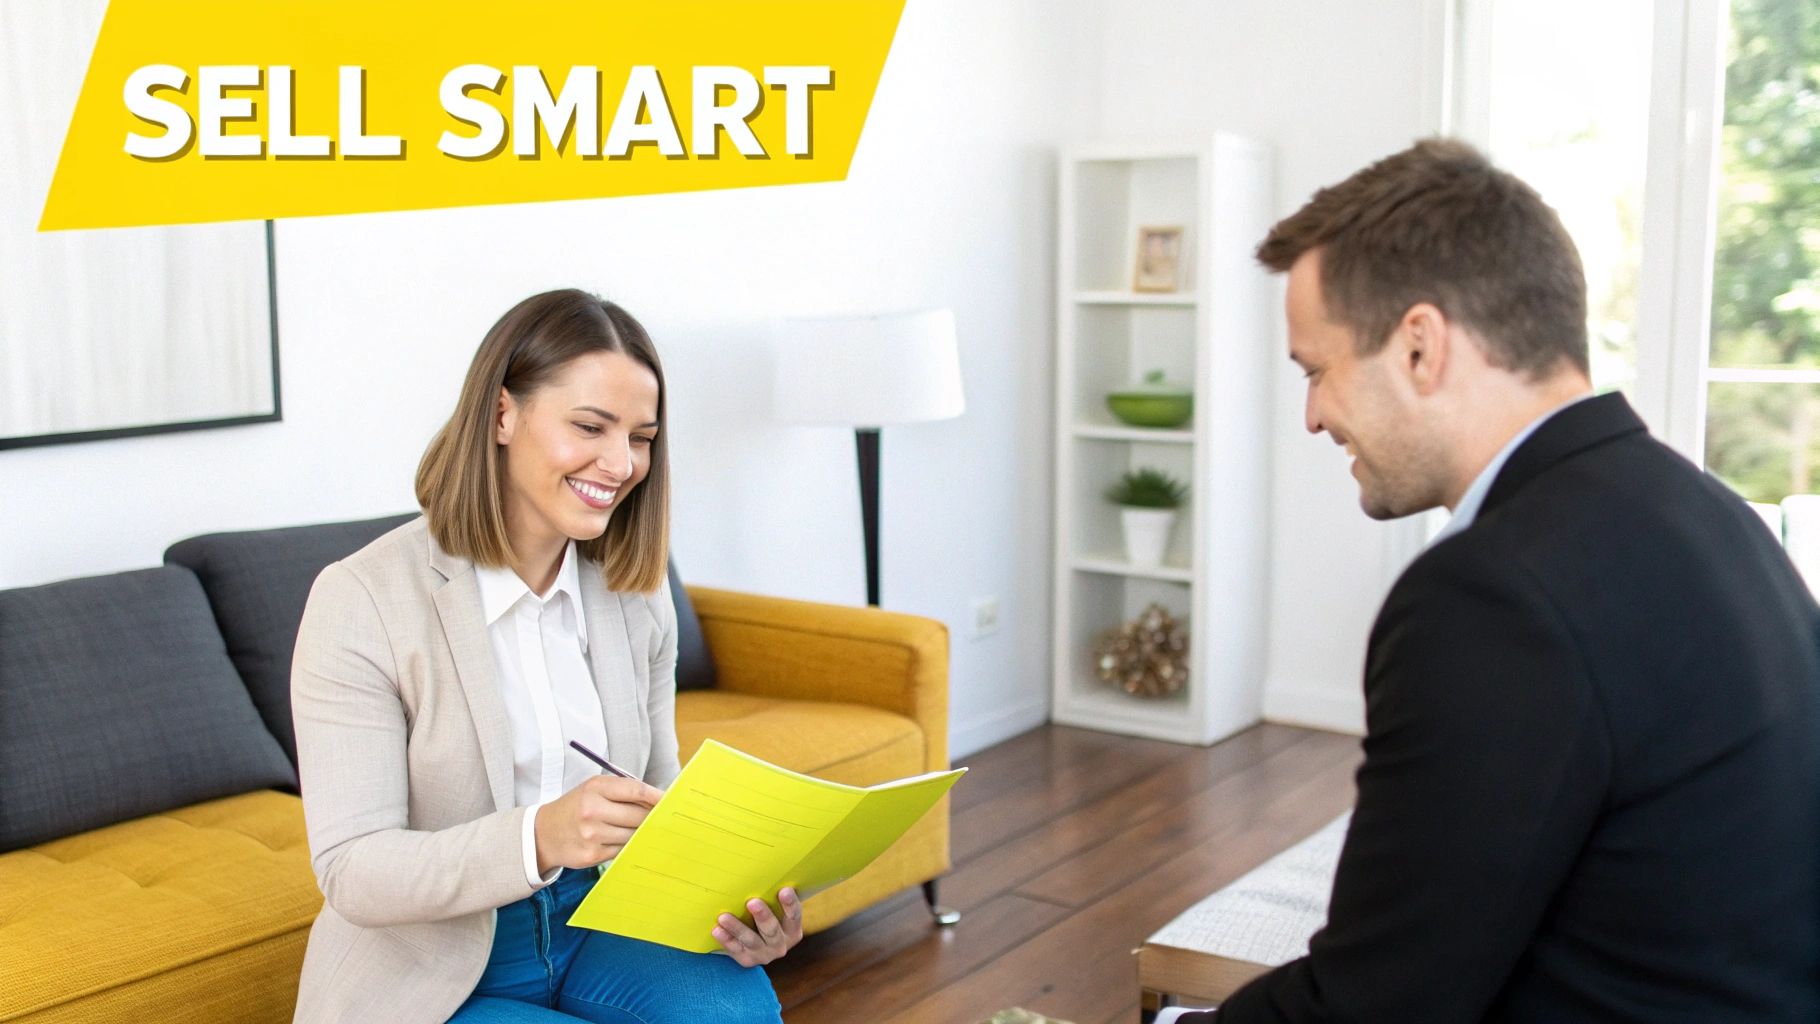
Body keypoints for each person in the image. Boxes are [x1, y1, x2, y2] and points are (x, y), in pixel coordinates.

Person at [1160, 139, 1820, 1022]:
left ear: (1421, 348)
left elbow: (1375, 1007)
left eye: (1317, 371)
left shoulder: (1492, 599)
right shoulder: (1710, 511)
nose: (1313, 416)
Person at [289, 289, 797, 1023]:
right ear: (503, 414)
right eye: (590, 425)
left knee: (739, 1015)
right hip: (432, 962)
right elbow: (353, 869)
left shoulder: (636, 591)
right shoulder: (361, 599)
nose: (621, 463)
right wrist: (542, 835)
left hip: (603, 921)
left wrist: (735, 908)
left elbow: (660, 794)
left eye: (642, 437)